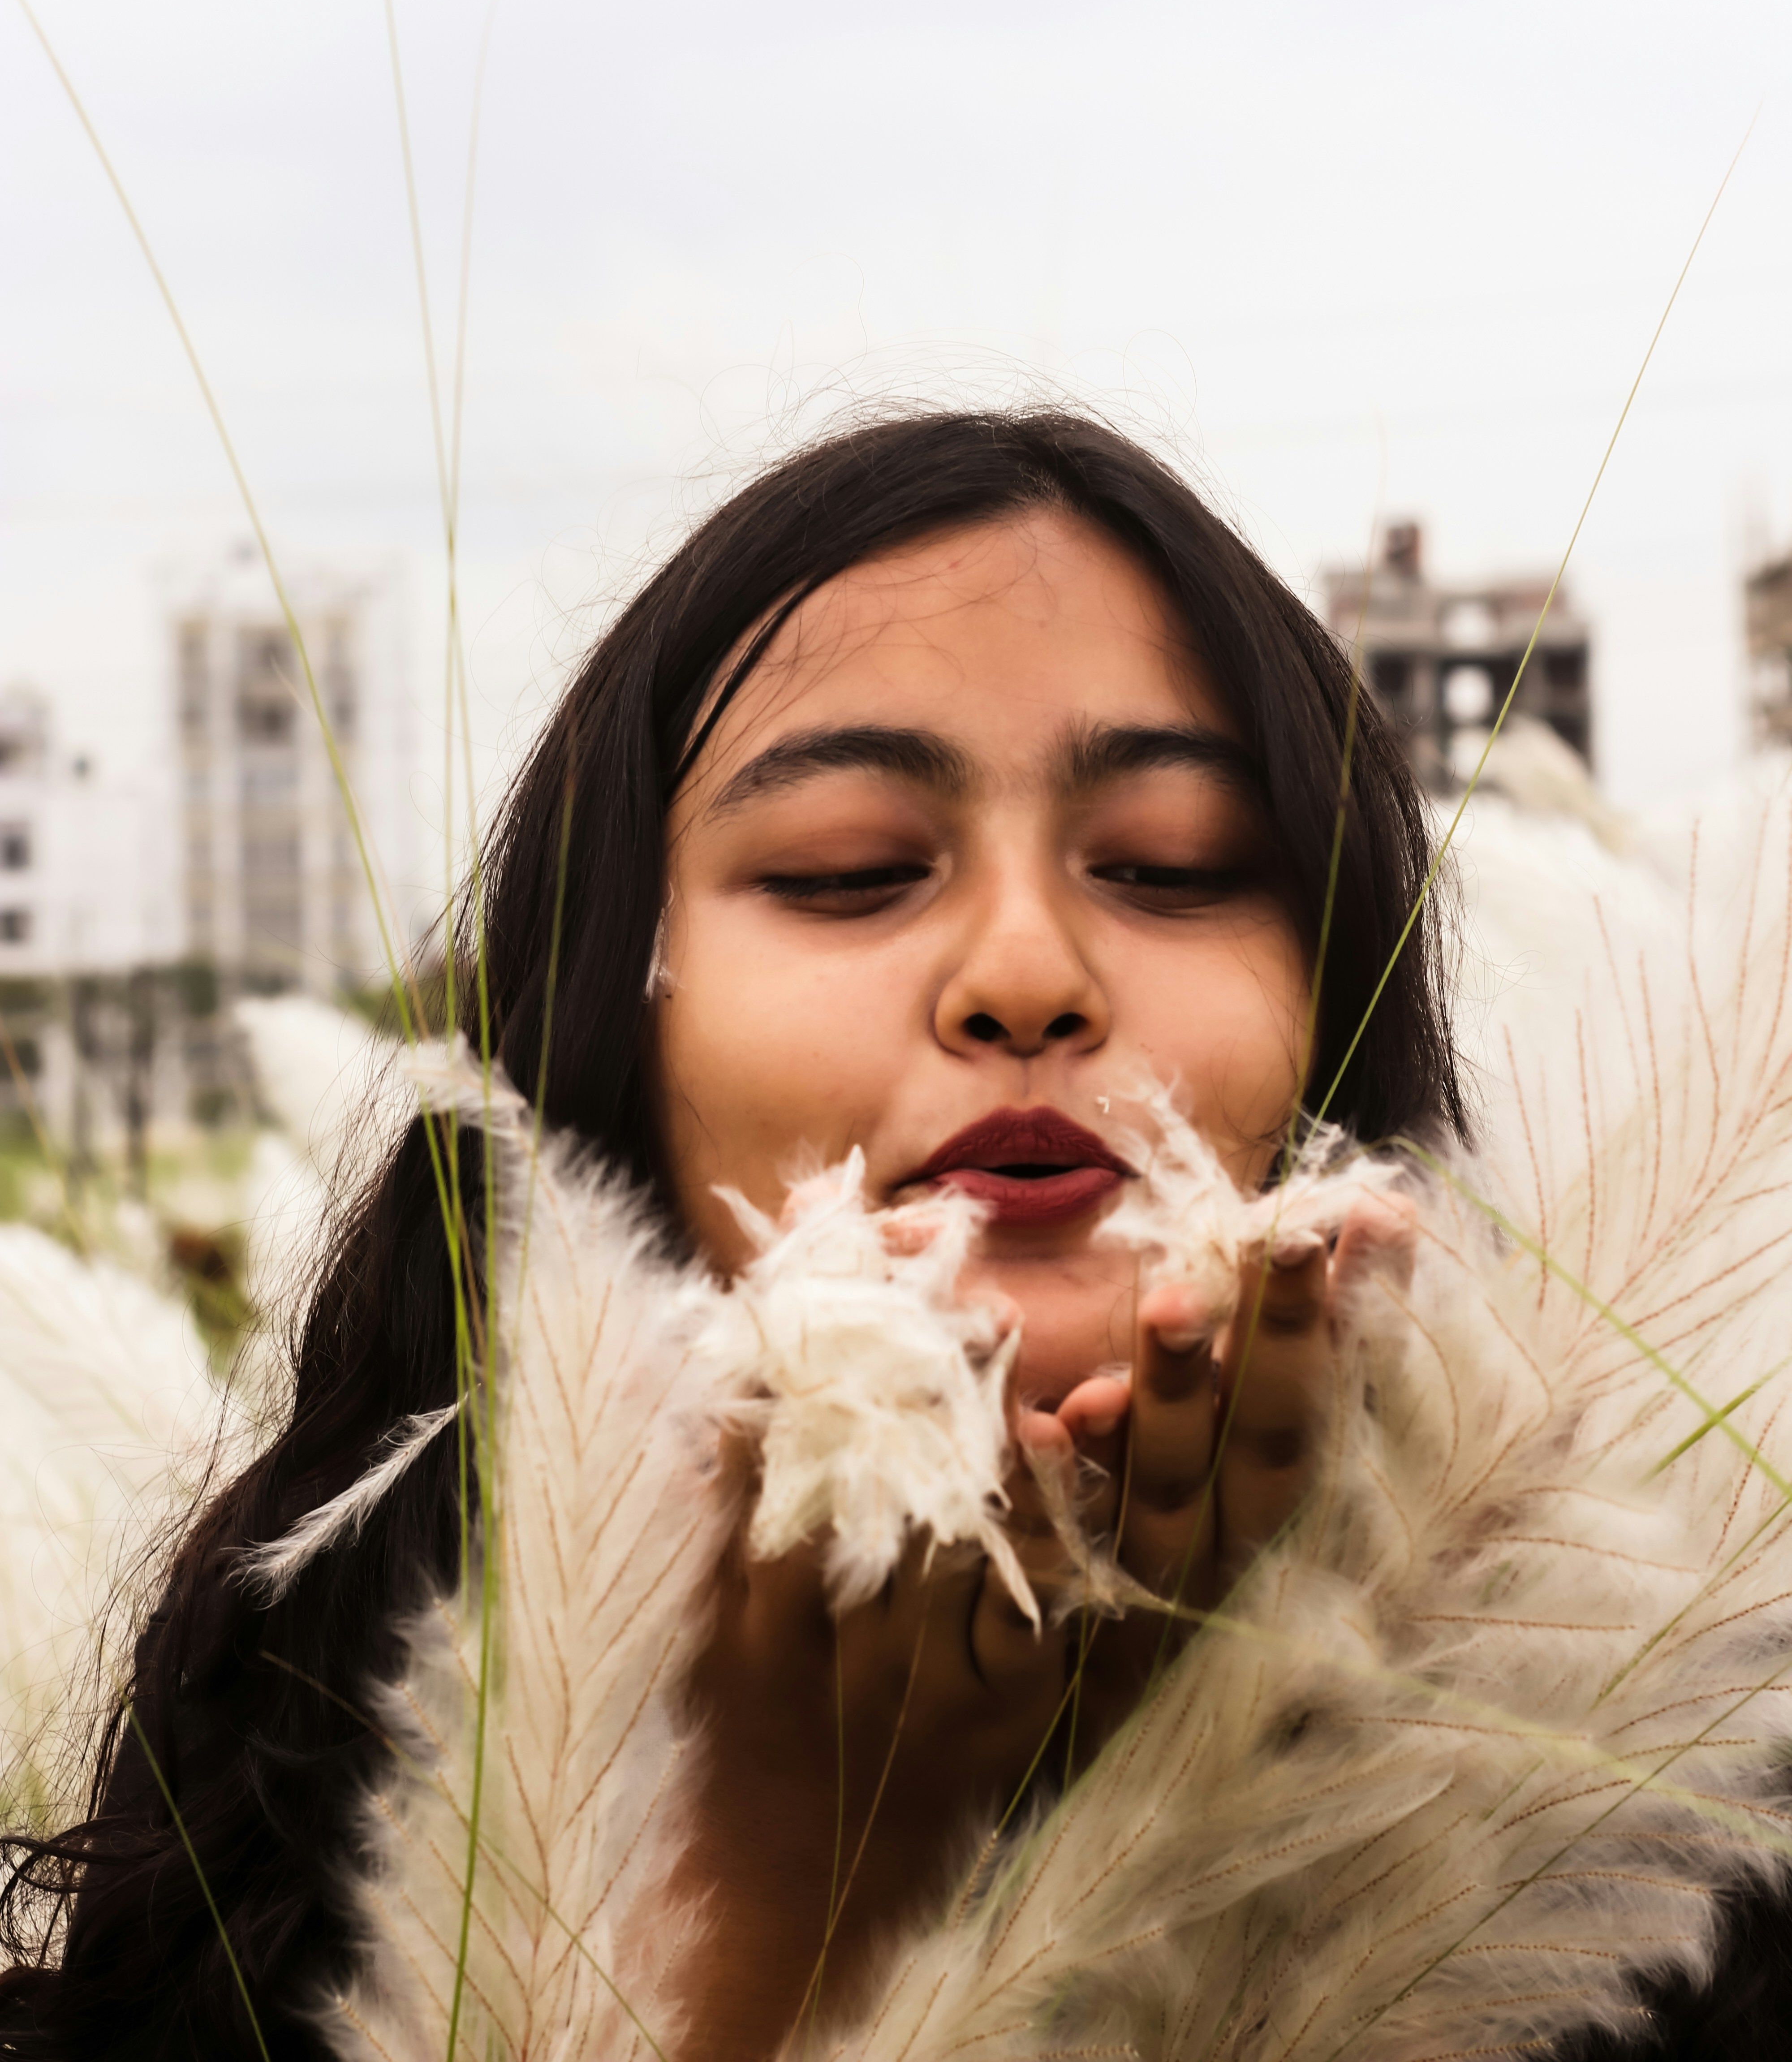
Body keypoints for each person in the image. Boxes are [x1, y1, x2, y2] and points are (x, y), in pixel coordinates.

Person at [3, 405, 1790, 2061]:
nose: (1024, 973)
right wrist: (780, 1904)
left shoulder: (1702, 1830)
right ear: (603, 1048)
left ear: (1347, 1017)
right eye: (850, 869)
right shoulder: (259, 1861)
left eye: (1167, 864)